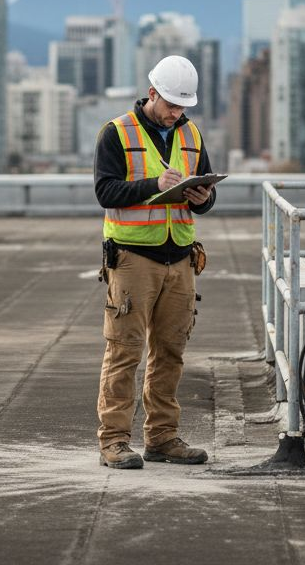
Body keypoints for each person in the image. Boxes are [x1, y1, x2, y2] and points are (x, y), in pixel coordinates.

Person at [92, 55, 216, 469]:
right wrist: (152, 186)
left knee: (171, 351)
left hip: (180, 258)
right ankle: (114, 441)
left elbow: (206, 194)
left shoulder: (191, 135)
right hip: (132, 259)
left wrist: (204, 198)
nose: (176, 113)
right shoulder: (116, 133)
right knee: (124, 351)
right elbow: (106, 192)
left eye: (183, 106)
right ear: (152, 94)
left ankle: (162, 437)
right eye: (170, 105)